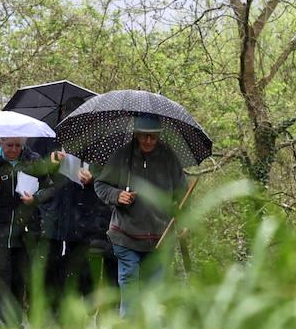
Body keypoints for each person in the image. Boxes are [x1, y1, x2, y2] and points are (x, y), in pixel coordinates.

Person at [94, 115, 187, 317]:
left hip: (160, 238)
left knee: (153, 292)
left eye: (152, 137)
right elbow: (100, 185)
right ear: (136, 134)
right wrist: (118, 195)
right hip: (125, 234)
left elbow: (183, 194)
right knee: (128, 284)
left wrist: (184, 219)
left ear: (158, 137)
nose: (148, 141)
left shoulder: (169, 158)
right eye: (144, 136)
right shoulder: (122, 156)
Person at [0, 136, 54, 326]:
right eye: (9, 145)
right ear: (1, 143)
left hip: (26, 229)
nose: (14, 149)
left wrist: (36, 198)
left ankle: (15, 325)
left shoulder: (34, 160)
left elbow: (50, 189)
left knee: (19, 277)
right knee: (0, 274)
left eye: (18, 145)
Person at [35, 153, 114, 312]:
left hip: (93, 222)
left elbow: (113, 181)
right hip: (59, 222)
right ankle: (60, 315)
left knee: (89, 273)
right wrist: (52, 166)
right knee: (60, 272)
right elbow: (41, 182)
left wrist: (94, 178)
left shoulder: (103, 148)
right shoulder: (53, 140)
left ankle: (91, 314)